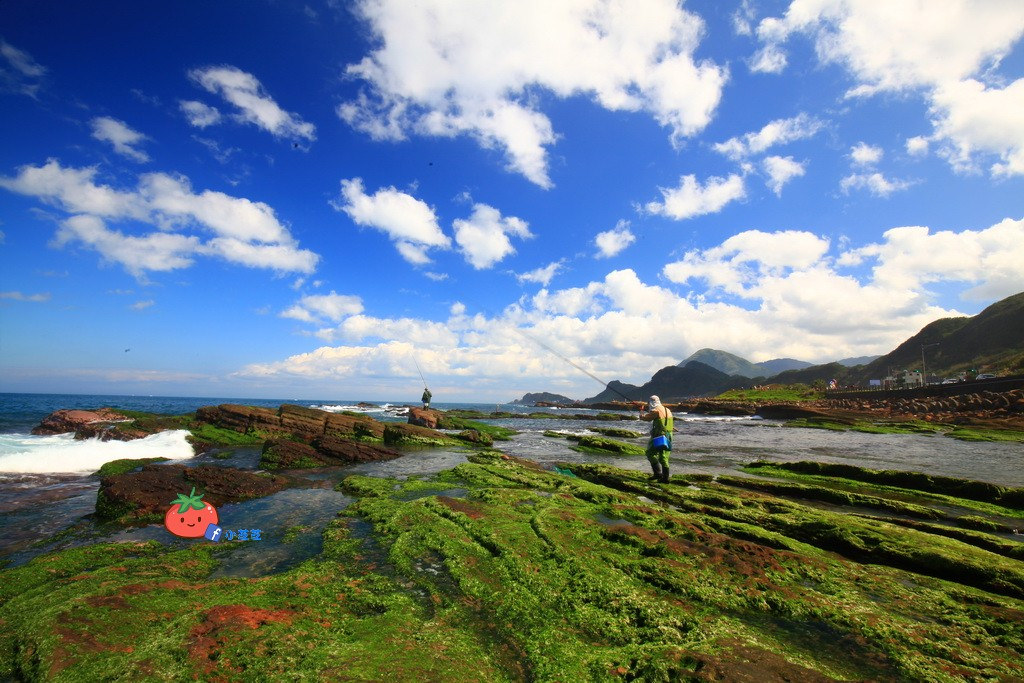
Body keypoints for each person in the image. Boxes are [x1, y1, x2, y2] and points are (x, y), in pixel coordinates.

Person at [640, 395, 673, 483]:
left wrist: (641, 410)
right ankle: (665, 478)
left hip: (659, 436)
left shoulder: (655, 411)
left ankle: (658, 474)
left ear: (651, 402)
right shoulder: (667, 410)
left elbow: (643, 418)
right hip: (669, 435)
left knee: (650, 453)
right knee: (664, 456)